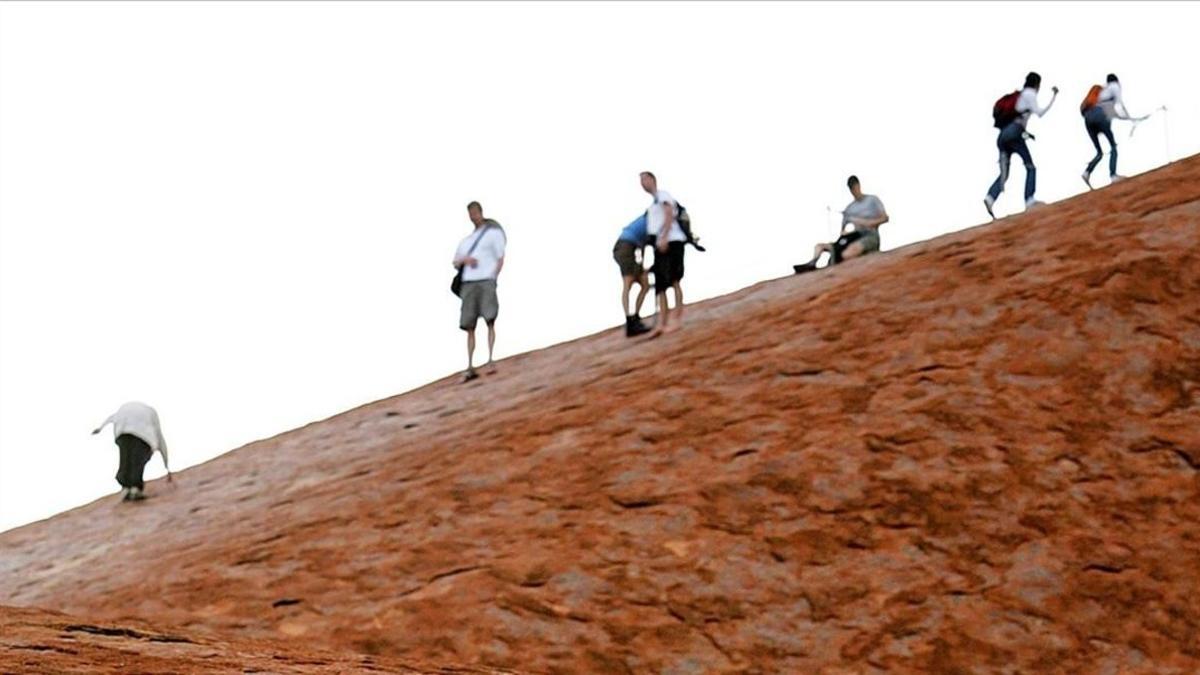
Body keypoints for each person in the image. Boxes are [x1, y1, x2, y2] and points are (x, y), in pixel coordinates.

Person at [984, 72, 1059, 219]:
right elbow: (1040, 113)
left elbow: (1018, 117)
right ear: (1037, 84)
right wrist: (1054, 96)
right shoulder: (1030, 94)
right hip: (1014, 133)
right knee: (1030, 166)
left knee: (1004, 174)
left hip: (1003, 136)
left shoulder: (1019, 95)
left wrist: (1027, 134)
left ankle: (990, 198)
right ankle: (1029, 200)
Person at [452, 201, 506, 382]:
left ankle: (491, 359)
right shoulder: (466, 241)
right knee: (469, 325)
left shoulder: (493, 233)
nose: (473, 216)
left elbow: (500, 257)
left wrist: (493, 277)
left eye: (474, 212)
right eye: (470, 213)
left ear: (480, 212)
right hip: (469, 282)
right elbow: (455, 261)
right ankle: (470, 364)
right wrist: (465, 260)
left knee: (490, 319)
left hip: (485, 280)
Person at [794, 175, 889, 274]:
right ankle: (812, 263)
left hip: (870, 236)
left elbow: (885, 218)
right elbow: (842, 231)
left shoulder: (872, 200)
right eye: (851, 188)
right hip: (852, 237)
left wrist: (867, 223)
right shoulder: (850, 208)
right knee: (820, 246)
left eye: (855, 187)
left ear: (859, 185)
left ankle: (866, 258)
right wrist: (847, 233)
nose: (854, 190)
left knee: (847, 254)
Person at [92, 401, 171, 502]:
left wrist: (100, 428)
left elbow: (112, 417)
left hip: (122, 432)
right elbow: (159, 436)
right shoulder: (151, 412)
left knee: (125, 459)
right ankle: (135, 489)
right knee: (137, 461)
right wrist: (167, 466)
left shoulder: (135, 409)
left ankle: (125, 487)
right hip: (143, 436)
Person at [640, 172, 685, 337]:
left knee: (674, 279)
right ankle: (662, 323)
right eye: (641, 181)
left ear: (653, 180)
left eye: (645, 179)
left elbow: (668, 213)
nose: (643, 183)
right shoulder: (652, 205)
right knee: (660, 284)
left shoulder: (663, 195)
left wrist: (665, 236)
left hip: (672, 241)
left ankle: (676, 319)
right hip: (660, 244)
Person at [1082, 74, 1139, 189]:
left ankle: (1086, 173)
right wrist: (1131, 118)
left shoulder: (1102, 92)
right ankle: (1113, 176)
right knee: (1113, 146)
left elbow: (1114, 114)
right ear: (1116, 81)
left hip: (1088, 119)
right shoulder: (1115, 87)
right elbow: (1120, 105)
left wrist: (1129, 118)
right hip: (1100, 116)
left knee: (1099, 152)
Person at [613, 212, 652, 337]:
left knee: (644, 285)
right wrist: (642, 266)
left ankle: (634, 318)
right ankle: (631, 321)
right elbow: (644, 245)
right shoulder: (651, 221)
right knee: (629, 283)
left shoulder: (648, 220)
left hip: (627, 247)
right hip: (625, 247)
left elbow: (643, 246)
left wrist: (642, 266)